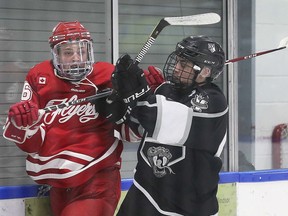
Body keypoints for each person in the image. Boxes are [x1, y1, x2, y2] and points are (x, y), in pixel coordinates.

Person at [2, 21, 163, 216]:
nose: (77, 58)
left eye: (82, 51)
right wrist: (24, 123)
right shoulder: (39, 76)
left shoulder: (108, 76)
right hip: (58, 183)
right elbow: (31, 145)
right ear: (56, 53)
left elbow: (131, 134)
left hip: (98, 180)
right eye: (68, 52)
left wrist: (144, 98)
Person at [113, 35, 228, 216]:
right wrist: (121, 104)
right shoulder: (166, 89)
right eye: (178, 62)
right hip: (145, 191)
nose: (176, 68)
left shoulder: (213, 102)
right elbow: (140, 128)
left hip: (188, 207)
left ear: (205, 71)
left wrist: (138, 95)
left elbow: (163, 121)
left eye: (183, 65)